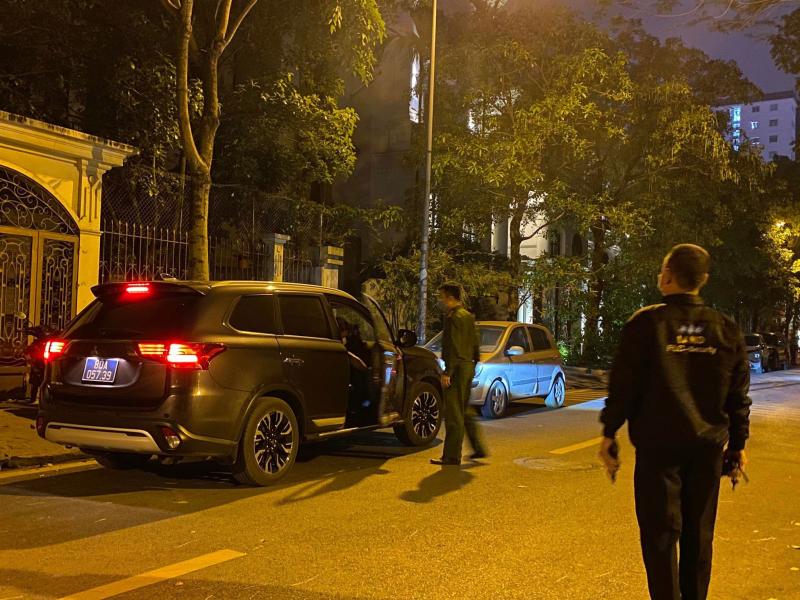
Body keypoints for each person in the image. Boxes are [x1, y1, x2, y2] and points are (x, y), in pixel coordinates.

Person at [599, 243, 751, 600]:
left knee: (659, 538)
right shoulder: (726, 329)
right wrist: (738, 444)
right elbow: (738, 396)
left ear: (667, 276)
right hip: (707, 449)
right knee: (699, 536)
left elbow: (623, 386)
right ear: (703, 279)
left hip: (657, 450)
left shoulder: (645, 324)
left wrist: (609, 432)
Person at [431, 282, 488, 466]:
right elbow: (475, 343)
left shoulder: (453, 317)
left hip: (457, 367)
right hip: (467, 366)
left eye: (442, 296)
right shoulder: (468, 316)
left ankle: (451, 456)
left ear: (449, 297)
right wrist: (474, 363)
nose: (440, 300)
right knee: (464, 409)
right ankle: (478, 448)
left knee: (454, 414)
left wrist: (448, 371)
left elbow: (454, 346)